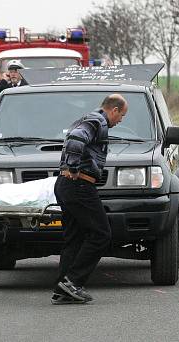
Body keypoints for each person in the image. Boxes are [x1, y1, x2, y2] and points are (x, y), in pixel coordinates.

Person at [51, 94, 127, 305]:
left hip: (65, 185)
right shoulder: (98, 120)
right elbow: (76, 137)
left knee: (74, 237)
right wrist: (75, 166)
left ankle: (63, 288)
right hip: (79, 186)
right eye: (122, 115)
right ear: (114, 110)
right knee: (101, 234)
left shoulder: (88, 118)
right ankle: (73, 281)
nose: (121, 120)